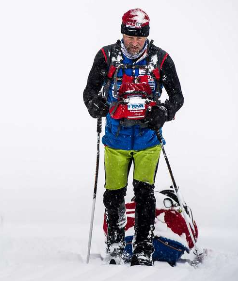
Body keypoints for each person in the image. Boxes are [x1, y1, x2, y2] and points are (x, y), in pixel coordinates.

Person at [83, 8, 184, 266]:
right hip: (115, 140)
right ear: (122, 32)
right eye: (129, 35)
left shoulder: (161, 60)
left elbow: (177, 98)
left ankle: (143, 248)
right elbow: (89, 93)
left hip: (148, 140)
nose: (134, 41)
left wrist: (163, 112)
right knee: (113, 194)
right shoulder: (107, 57)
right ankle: (115, 245)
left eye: (139, 36)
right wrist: (95, 105)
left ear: (147, 35)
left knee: (144, 194)